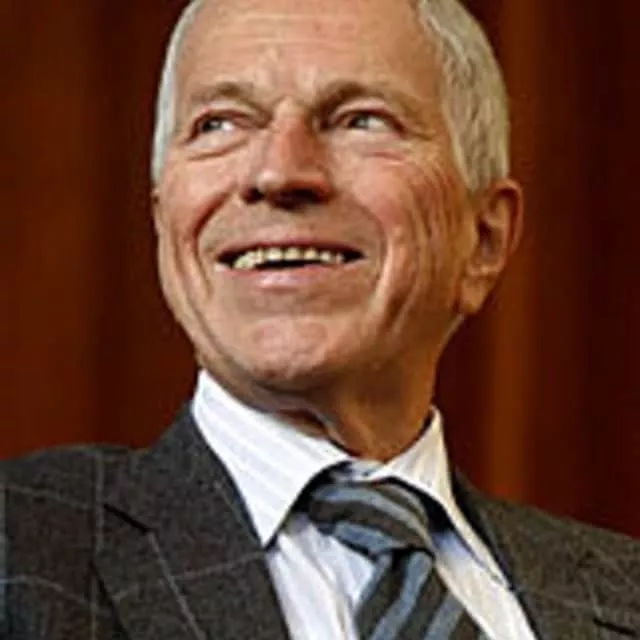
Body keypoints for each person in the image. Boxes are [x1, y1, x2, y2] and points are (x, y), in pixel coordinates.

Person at [2, 0, 639, 637]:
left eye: (361, 119)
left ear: (484, 240)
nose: (279, 172)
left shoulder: (623, 594)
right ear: (164, 219)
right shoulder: (21, 551)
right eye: (220, 123)